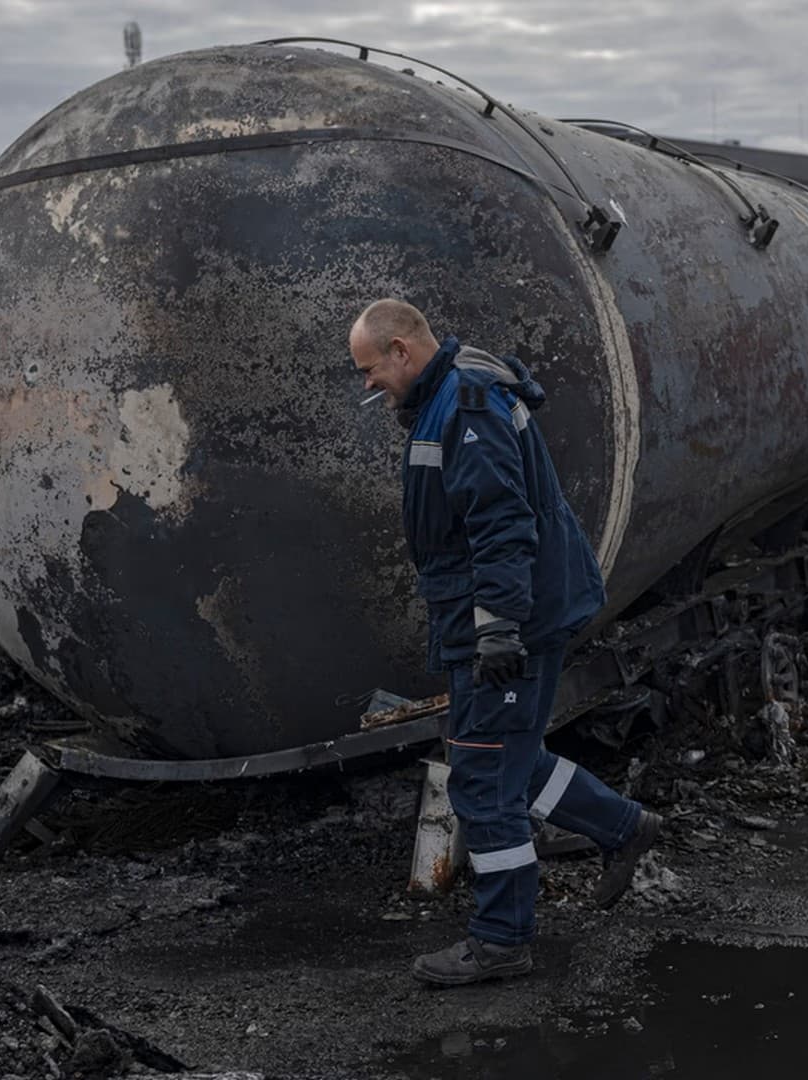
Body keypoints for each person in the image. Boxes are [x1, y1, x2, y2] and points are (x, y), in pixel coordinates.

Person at [347, 298, 663, 987]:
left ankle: (501, 941)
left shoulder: (466, 408)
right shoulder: (456, 393)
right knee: (513, 759)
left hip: (501, 623)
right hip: (500, 614)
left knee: (484, 781)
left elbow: (500, 524)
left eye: (371, 369)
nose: (367, 384)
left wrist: (496, 629)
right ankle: (623, 828)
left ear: (401, 349)